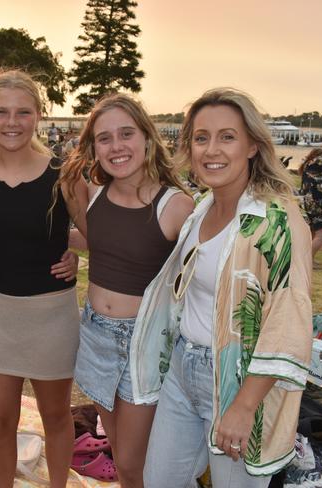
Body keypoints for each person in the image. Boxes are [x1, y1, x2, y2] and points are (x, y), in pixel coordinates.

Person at [130, 88, 313, 487]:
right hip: (183, 368)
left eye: (227, 136)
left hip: (240, 381)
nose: (212, 149)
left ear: (251, 146)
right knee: (159, 480)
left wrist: (246, 405)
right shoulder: (200, 209)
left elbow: (289, 324)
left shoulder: (276, 221)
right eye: (201, 138)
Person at [58, 93, 194, 487]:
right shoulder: (94, 195)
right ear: (93, 147)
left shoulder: (176, 206)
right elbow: (98, 240)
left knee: (134, 462)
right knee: (117, 449)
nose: (116, 146)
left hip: (142, 346)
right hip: (95, 335)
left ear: (147, 138)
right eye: (104, 138)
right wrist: (56, 247)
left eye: (126, 134)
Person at [0, 69, 87, 488]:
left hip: (53, 316)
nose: (12, 121)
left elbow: (97, 237)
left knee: (56, 417)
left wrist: (75, 255)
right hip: (0, 314)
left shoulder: (65, 174)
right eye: (1, 111)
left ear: (39, 115)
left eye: (23, 112)